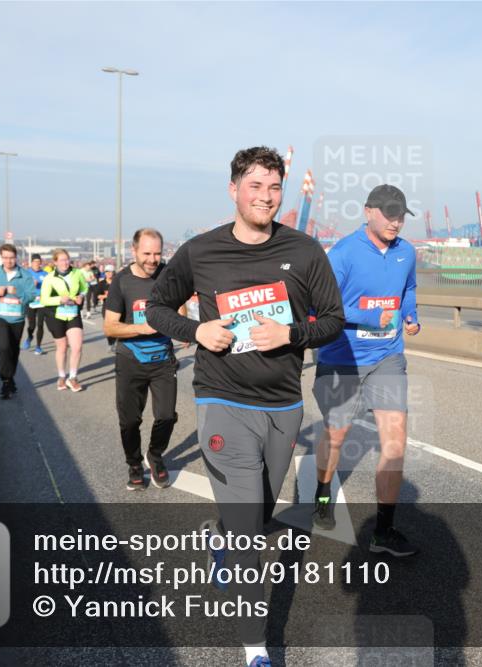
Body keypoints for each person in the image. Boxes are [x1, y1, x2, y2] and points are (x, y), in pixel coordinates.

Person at [146, 146, 344, 667]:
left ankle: (226, 538)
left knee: (258, 513)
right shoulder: (200, 251)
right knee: (248, 534)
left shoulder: (304, 251)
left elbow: (333, 321)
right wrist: (195, 331)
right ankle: (256, 648)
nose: (266, 196)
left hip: (282, 406)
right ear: (233, 189)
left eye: (274, 187)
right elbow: (156, 306)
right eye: (255, 186)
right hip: (220, 401)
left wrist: (291, 332)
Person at [312, 184, 422, 556]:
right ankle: (323, 493)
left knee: (395, 441)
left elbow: (408, 290)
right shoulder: (342, 254)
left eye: (401, 215)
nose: (396, 221)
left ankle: (384, 531)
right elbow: (321, 309)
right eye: (389, 213)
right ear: (368, 212)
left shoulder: (406, 253)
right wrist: (369, 315)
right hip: (342, 357)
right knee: (337, 437)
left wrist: (411, 316)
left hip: (388, 357)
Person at [103, 229, 177, 491]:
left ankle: (155, 456)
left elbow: (178, 309)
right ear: (133, 251)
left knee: (167, 415)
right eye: (147, 253)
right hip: (130, 359)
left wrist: (179, 324)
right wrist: (143, 328)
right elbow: (110, 328)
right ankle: (134, 463)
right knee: (130, 420)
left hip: (163, 359)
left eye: (157, 253)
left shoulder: (168, 274)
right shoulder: (122, 281)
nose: (153, 259)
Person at [0, 244, 37, 399]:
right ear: (1, 258)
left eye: (11, 257)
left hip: (17, 318)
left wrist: (19, 295)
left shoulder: (24, 275)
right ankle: (5, 380)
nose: (8, 261)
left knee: (13, 349)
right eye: (5, 257)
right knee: (3, 347)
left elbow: (32, 294)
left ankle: (10, 377)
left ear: (16, 257)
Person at [41, 249, 88, 392]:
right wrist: (59, 299)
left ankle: (72, 378)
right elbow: (44, 299)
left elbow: (84, 288)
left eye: (67, 259)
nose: (65, 262)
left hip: (73, 313)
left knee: (77, 346)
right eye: (61, 260)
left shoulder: (77, 273)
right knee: (62, 347)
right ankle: (61, 376)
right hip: (55, 314)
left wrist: (81, 296)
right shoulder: (50, 278)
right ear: (55, 262)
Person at [23, 253, 49, 355]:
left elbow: (49, 287)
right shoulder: (26, 273)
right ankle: (29, 337)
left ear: (41, 263)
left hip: (42, 302)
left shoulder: (45, 274)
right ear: (32, 262)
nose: (37, 264)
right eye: (35, 262)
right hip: (31, 302)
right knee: (32, 325)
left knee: (40, 325)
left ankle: (38, 346)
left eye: (39, 262)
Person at [100, 264, 117, 352]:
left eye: (111, 272)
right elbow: (98, 296)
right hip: (106, 307)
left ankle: (117, 342)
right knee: (108, 327)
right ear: (105, 273)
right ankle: (111, 343)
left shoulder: (117, 282)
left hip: (118, 307)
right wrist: (105, 296)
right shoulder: (102, 283)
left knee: (117, 325)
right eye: (107, 272)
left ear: (113, 273)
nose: (109, 273)